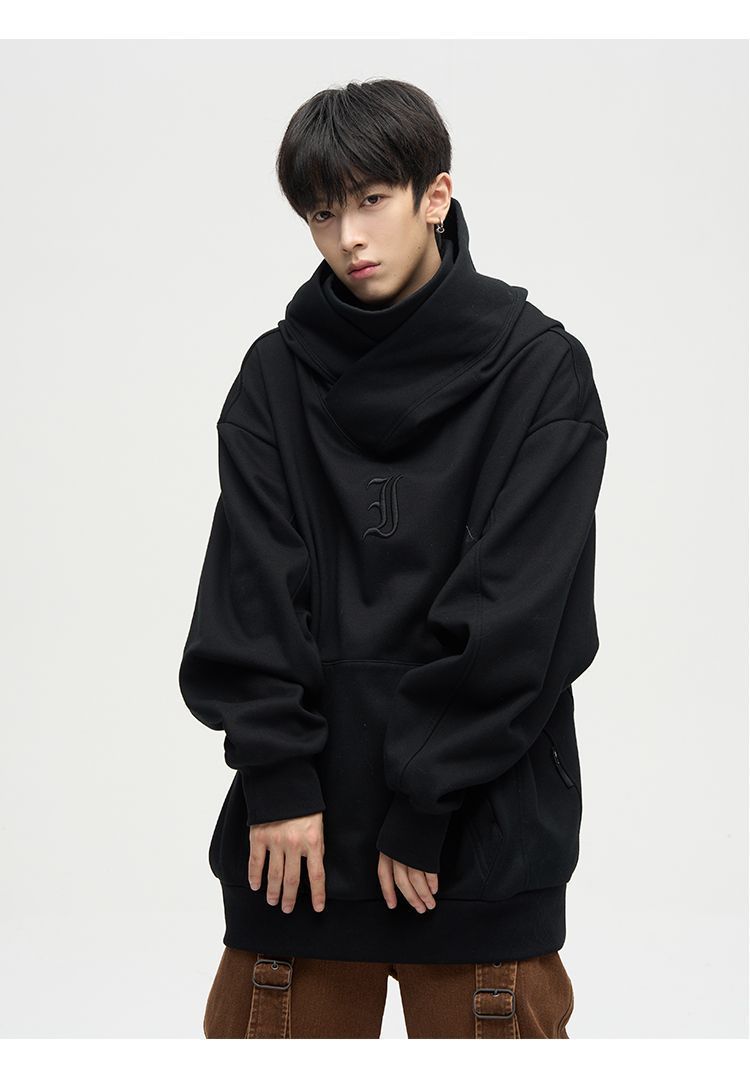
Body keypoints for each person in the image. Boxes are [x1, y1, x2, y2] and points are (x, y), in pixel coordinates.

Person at [178, 78, 608, 1039]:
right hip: (297, 848)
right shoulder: (274, 377)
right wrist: (279, 779)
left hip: (480, 837)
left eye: (372, 200)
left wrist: (426, 799)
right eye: (321, 214)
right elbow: (249, 590)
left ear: (435, 196)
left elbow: (521, 614)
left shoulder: (541, 372)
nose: (348, 238)